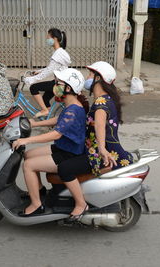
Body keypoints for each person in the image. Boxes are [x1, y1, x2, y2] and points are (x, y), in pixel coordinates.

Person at [56, 62, 134, 220]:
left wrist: (102, 150)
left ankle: (80, 204)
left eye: (91, 75)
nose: (88, 78)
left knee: (64, 168)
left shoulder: (100, 104)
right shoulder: (106, 99)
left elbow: (99, 126)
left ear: (99, 78)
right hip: (99, 151)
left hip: (99, 155)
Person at [12, 68, 88, 218]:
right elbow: (59, 120)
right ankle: (39, 191)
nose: (54, 86)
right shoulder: (71, 105)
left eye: (57, 83)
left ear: (68, 88)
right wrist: (34, 124)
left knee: (28, 166)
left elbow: (56, 133)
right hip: (63, 147)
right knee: (28, 155)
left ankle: (36, 205)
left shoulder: (73, 110)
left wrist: (27, 139)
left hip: (68, 154)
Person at [24, 28, 71, 118]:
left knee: (33, 88)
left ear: (55, 39)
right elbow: (51, 68)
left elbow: (49, 71)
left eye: (48, 37)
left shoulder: (58, 54)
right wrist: (39, 71)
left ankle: (45, 110)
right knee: (45, 98)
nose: (47, 40)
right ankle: (48, 116)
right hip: (61, 82)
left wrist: (31, 79)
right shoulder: (59, 52)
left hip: (60, 85)